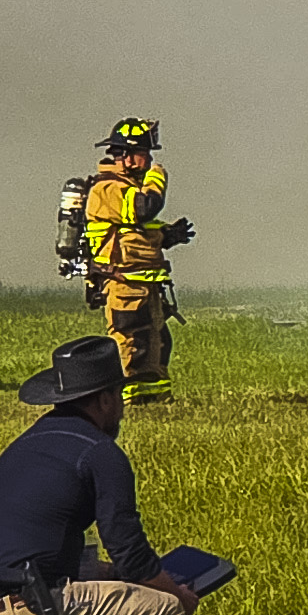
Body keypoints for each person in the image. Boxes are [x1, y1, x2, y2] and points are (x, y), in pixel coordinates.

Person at [0, 336, 199, 615]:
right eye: (120, 396)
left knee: (86, 588)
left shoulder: (26, 444)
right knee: (167, 612)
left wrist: (109, 575)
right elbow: (130, 552)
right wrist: (177, 593)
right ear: (104, 399)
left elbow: (33, 546)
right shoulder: (99, 452)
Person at [80, 116, 194, 402]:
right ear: (125, 156)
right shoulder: (107, 189)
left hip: (146, 284)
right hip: (123, 285)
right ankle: (128, 400)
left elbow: (135, 232)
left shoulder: (126, 187)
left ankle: (157, 400)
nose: (147, 162)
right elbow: (144, 208)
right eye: (144, 155)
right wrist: (158, 177)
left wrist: (168, 236)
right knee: (132, 343)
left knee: (157, 343)